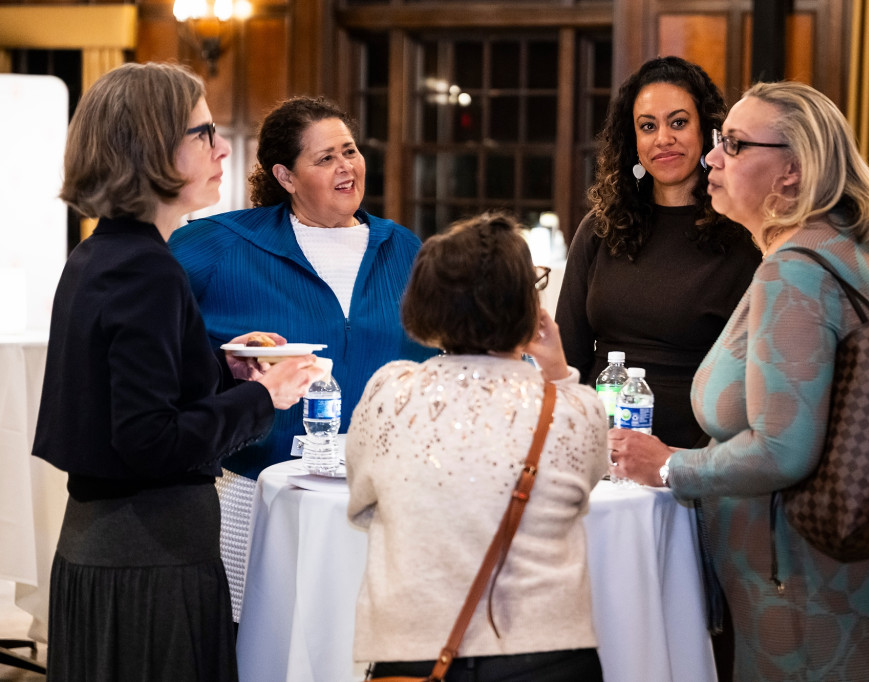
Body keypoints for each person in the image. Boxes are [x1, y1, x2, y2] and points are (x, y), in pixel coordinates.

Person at [609, 81, 869, 679]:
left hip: (813, 592)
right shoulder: (834, 247)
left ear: (791, 171)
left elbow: (783, 449)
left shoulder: (796, 270)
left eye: (732, 144)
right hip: (842, 574)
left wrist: (667, 467)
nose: (711, 158)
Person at [33, 62, 323, 681]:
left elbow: (122, 399)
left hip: (109, 549)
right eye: (203, 133)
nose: (222, 148)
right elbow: (148, 441)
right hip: (148, 563)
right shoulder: (146, 269)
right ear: (150, 148)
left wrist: (221, 368)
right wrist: (263, 397)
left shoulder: (102, 253)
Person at [168, 96, 434, 616]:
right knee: (260, 644)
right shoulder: (217, 244)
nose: (346, 167)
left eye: (350, 151)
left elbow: (444, 352)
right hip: (260, 490)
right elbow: (155, 330)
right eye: (326, 158)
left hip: (383, 496)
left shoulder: (404, 248)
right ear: (286, 177)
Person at [346, 212, 608, 682]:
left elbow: (362, 499)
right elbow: (589, 485)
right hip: (548, 656)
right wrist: (559, 371)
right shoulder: (575, 409)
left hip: (415, 653)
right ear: (528, 306)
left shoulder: (389, 393)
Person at [555, 56, 761, 451]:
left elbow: (752, 380)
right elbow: (570, 358)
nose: (663, 138)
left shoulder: (743, 235)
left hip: (696, 459)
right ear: (633, 142)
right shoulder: (600, 229)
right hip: (601, 452)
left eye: (678, 122)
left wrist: (686, 464)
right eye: (648, 127)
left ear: (707, 130)